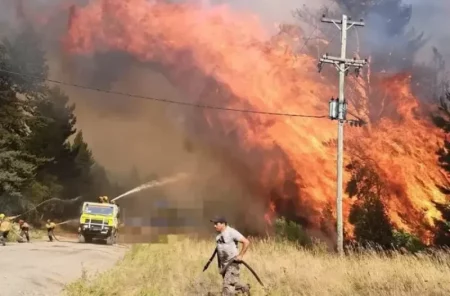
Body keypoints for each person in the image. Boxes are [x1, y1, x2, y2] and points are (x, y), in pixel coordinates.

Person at [210, 216, 251, 296]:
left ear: (223, 224)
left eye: (216, 224)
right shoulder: (218, 236)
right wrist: (220, 267)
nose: (214, 226)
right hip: (224, 266)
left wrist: (240, 255)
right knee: (233, 283)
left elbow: (246, 242)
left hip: (232, 264)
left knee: (227, 288)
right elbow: (219, 252)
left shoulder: (231, 232)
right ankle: (244, 288)